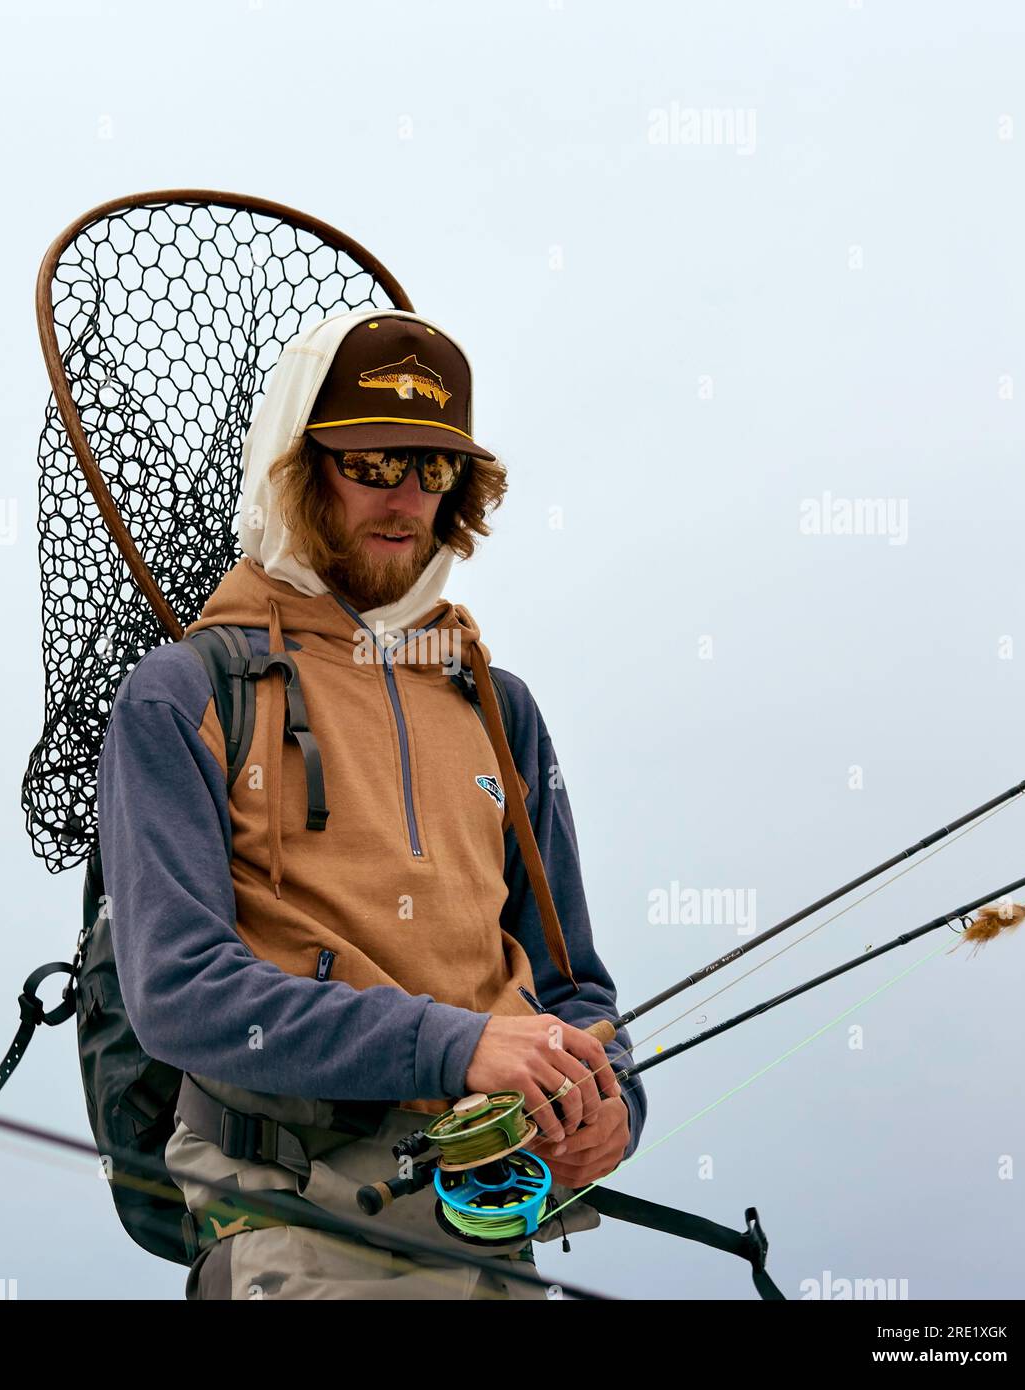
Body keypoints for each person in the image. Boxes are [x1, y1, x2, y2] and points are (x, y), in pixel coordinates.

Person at [97, 309, 646, 1299]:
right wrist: (456, 1043)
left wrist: (613, 1105)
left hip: (497, 1238)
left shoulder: (498, 705)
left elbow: (575, 995)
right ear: (296, 471)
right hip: (293, 1233)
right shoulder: (182, 695)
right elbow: (178, 991)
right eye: (373, 462)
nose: (405, 499)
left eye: (433, 471)